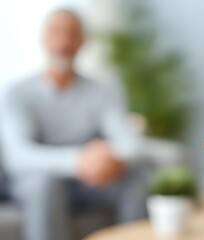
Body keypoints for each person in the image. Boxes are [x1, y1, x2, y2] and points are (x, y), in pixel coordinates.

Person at [0, 9, 148, 240]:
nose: (63, 42)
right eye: (56, 33)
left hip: (86, 181)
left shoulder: (103, 90)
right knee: (45, 185)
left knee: (132, 183)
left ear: (82, 41)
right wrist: (77, 161)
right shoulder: (17, 93)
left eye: (72, 34)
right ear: (44, 39)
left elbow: (131, 144)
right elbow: (18, 156)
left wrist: (111, 159)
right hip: (37, 180)